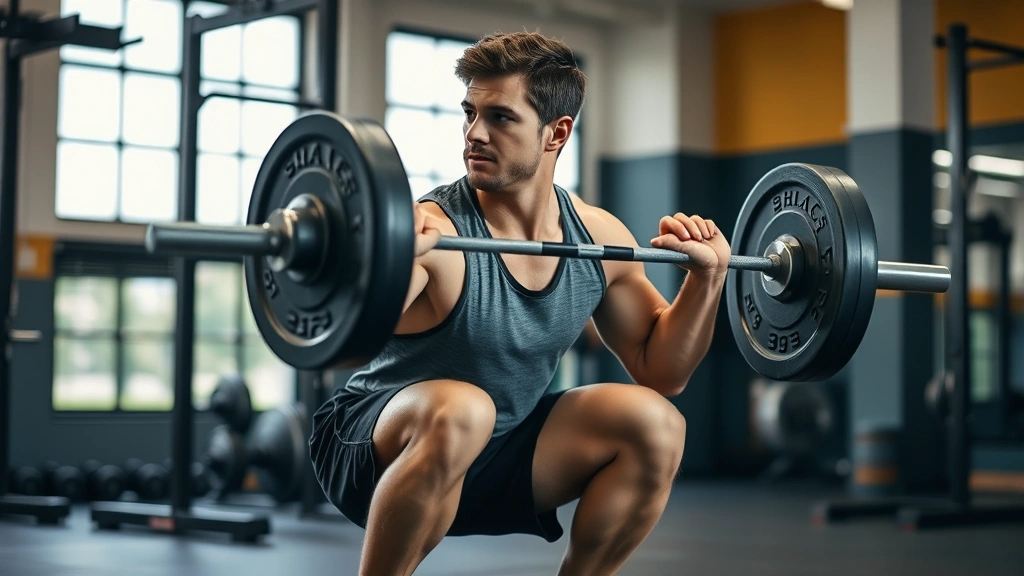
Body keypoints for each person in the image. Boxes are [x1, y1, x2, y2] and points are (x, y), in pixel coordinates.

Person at [310, 30, 731, 576]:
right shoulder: (436, 231)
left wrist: (708, 280)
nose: (473, 134)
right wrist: (384, 269)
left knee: (656, 424)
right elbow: (344, 351)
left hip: (499, 453)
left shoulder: (595, 237)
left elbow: (662, 368)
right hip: (369, 448)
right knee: (464, 409)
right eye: (469, 113)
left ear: (557, 133)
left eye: (500, 118)